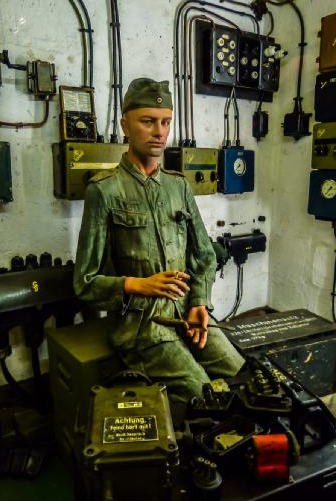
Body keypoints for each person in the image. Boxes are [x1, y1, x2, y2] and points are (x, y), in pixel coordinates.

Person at [73, 78, 244, 403]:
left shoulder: (177, 186)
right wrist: (138, 285)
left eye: (165, 122)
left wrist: (198, 302)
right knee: (204, 393)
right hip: (141, 326)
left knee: (239, 372)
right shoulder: (104, 191)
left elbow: (204, 255)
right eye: (148, 121)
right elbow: (84, 283)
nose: (160, 132)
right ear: (125, 124)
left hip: (185, 314)